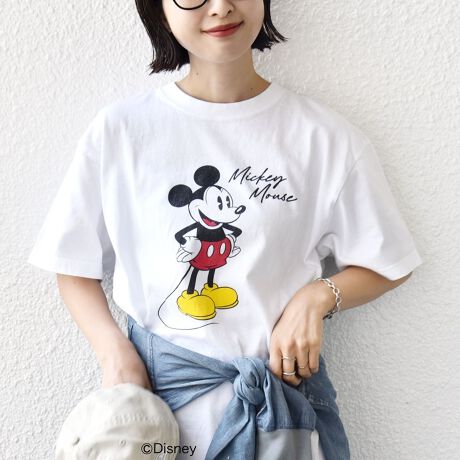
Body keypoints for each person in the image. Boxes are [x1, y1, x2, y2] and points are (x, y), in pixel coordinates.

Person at [27, 0, 423, 459]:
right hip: (157, 418)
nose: (220, 7)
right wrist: (115, 356)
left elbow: (389, 261)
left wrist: (317, 298)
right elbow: (73, 264)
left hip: (279, 414)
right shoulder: (121, 131)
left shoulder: (323, 137)